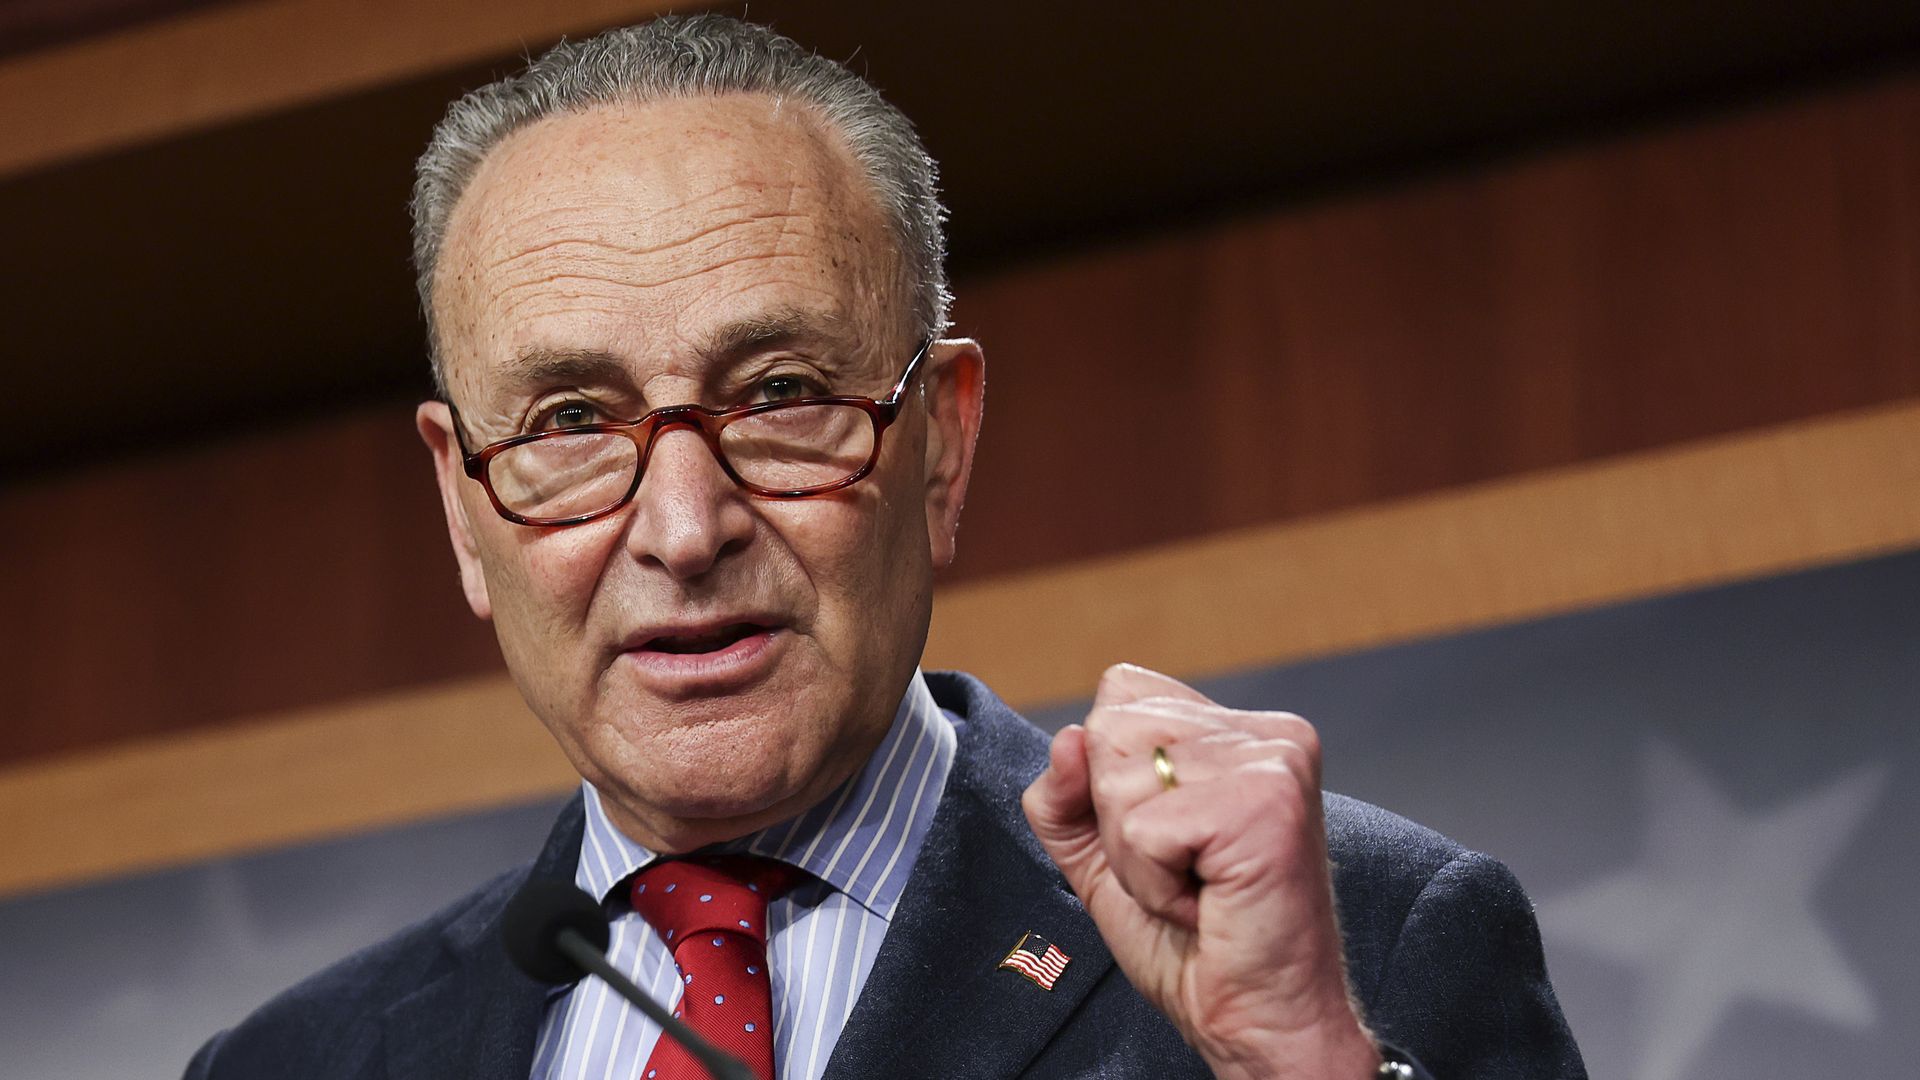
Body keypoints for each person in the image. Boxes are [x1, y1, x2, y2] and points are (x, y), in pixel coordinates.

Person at [185, 14, 1583, 1080]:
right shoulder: (297, 1065)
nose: (682, 529)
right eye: (567, 418)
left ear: (945, 442)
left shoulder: (1360, 949)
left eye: (783, 395)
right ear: (462, 506)